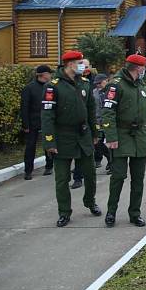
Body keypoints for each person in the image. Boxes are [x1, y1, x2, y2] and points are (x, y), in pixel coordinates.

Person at [41, 51, 102, 227]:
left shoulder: (84, 83)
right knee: (62, 179)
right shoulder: (53, 86)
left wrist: (95, 133)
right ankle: (64, 212)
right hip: (63, 137)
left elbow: (91, 110)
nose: (84, 66)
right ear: (70, 64)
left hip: (83, 136)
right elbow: (47, 116)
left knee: (90, 174)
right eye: (80, 63)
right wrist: (49, 142)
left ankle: (90, 202)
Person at [102, 54, 146, 228]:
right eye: (144, 67)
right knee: (118, 176)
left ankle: (135, 213)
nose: (145, 70)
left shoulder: (142, 86)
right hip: (121, 136)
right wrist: (111, 137)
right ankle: (111, 212)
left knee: (138, 178)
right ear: (138, 68)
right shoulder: (116, 85)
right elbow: (108, 112)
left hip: (140, 137)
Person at [20, 64, 54, 179]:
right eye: (49, 73)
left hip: (47, 121)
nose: (51, 75)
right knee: (30, 146)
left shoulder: (50, 87)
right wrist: (25, 124)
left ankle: (49, 166)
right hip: (33, 122)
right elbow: (24, 107)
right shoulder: (29, 88)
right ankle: (28, 170)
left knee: (48, 144)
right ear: (44, 75)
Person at [70, 58, 95, 189]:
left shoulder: (90, 81)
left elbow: (91, 107)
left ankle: (79, 177)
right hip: (68, 128)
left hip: (85, 127)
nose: (84, 68)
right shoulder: (68, 82)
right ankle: (76, 176)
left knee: (84, 154)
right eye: (81, 65)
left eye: (86, 66)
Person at [92, 74, 112, 172]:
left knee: (111, 143)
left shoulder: (110, 93)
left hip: (108, 121)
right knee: (98, 144)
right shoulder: (93, 93)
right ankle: (110, 158)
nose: (107, 83)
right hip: (97, 122)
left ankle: (112, 164)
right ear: (99, 83)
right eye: (105, 81)